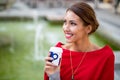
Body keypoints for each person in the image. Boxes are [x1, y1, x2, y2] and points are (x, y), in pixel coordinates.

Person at [44, 2, 114, 80]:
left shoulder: (105, 57)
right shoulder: (57, 52)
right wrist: (53, 76)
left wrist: (55, 77)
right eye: (65, 22)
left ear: (88, 29)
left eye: (73, 23)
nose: (66, 28)